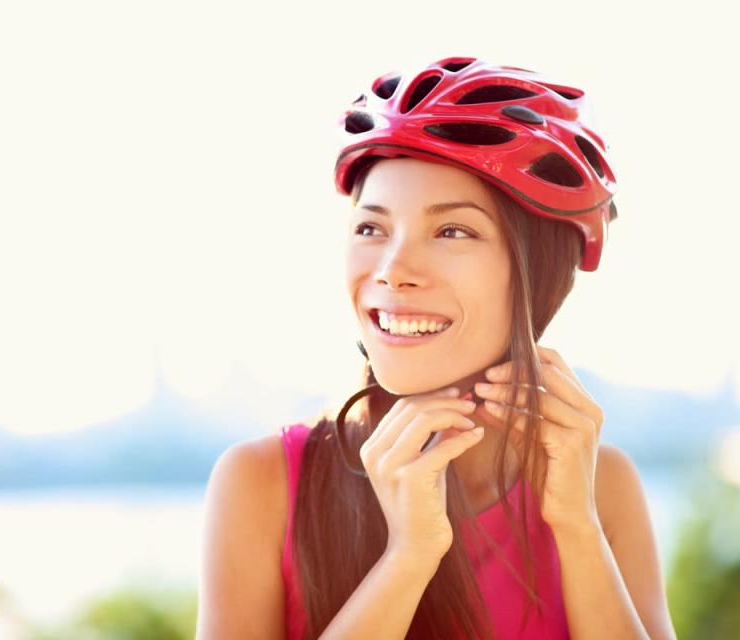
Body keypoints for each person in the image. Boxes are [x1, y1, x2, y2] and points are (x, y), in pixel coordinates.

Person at [197, 56, 677, 639]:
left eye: (453, 231)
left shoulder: (600, 485)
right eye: (371, 228)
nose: (393, 270)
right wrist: (409, 556)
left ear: (538, 272)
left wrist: (576, 526)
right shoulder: (262, 484)